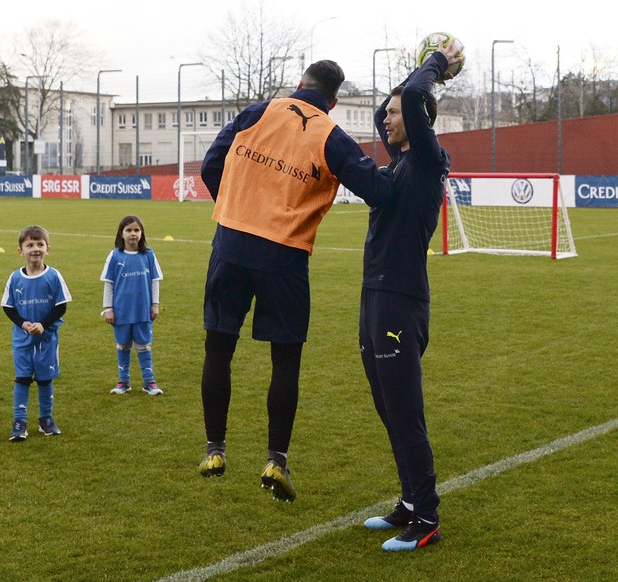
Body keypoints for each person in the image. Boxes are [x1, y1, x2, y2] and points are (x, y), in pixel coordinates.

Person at [198, 60, 396, 502]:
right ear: (334, 99)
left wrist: (236, 208)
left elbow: (212, 164)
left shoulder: (257, 112)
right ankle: (276, 459)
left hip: (230, 244)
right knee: (284, 360)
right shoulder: (330, 134)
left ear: (298, 85)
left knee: (218, 346)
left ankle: (214, 449)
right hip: (284, 255)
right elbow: (378, 191)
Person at [359, 40, 464, 550]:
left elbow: (416, 96)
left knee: (404, 410)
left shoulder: (425, 160)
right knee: (386, 406)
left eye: (399, 113)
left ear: (419, 120)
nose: (387, 119)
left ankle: (427, 518)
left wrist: (437, 63)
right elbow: (386, 109)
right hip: (373, 296)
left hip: (401, 299)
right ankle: (408, 501)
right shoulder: (398, 160)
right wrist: (407, 82)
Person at [1, 226, 72, 440]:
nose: (35, 249)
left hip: (47, 340)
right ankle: (19, 421)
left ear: (48, 248)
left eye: (40, 244)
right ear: (20, 251)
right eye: (30, 245)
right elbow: (8, 307)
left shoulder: (53, 276)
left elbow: (61, 306)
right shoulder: (15, 278)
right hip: (22, 340)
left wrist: (43, 324)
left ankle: (45, 419)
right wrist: (23, 324)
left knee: (44, 379)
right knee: (22, 379)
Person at [100, 215, 164, 396]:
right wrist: (108, 309)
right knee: (123, 345)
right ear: (121, 233)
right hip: (121, 311)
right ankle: (124, 381)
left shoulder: (148, 254)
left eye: (136, 230)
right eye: (128, 230)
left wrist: (155, 305)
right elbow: (109, 283)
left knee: (144, 345)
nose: (133, 234)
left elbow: (155, 281)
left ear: (142, 233)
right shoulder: (114, 255)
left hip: (142, 310)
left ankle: (149, 382)